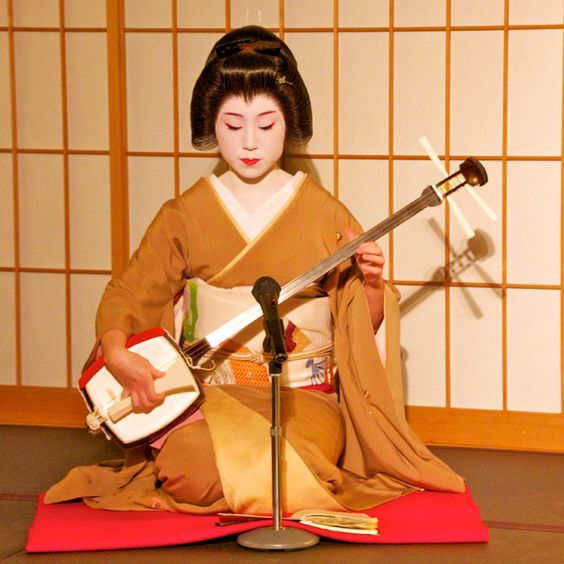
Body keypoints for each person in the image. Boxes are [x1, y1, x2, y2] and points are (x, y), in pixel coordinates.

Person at [46, 26, 464, 515]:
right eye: (232, 124)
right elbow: (132, 292)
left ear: (289, 123)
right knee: (193, 470)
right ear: (210, 123)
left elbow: (361, 321)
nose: (249, 142)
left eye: (266, 125)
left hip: (298, 395)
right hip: (207, 392)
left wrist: (369, 283)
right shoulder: (184, 213)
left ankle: (276, 479)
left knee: (294, 464)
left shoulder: (324, 213)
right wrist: (116, 351)